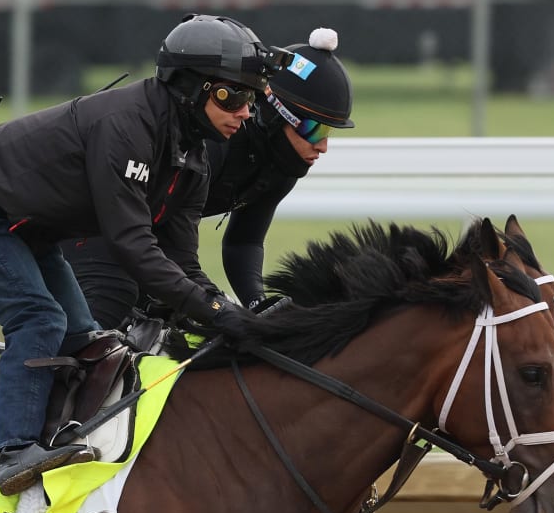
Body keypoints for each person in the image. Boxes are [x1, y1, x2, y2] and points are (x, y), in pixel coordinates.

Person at [0, 13, 273, 495]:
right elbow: (133, 247)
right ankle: (12, 453)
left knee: (86, 337)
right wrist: (218, 314)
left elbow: (182, 264)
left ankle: (30, 411)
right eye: (233, 96)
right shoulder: (126, 127)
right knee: (40, 320)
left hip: (26, 222)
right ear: (190, 87)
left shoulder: (193, 156)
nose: (246, 112)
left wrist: (223, 312)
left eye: (252, 99)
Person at [72, 28, 354, 330]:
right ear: (276, 115)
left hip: (142, 233)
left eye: (328, 132)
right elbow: (161, 245)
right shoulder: (215, 143)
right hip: (91, 217)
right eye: (315, 130)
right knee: (116, 298)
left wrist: (257, 306)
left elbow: (243, 242)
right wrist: (217, 308)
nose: (322, 146)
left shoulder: (284, 162)